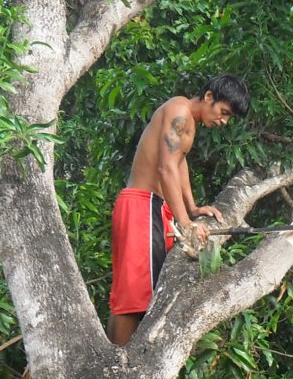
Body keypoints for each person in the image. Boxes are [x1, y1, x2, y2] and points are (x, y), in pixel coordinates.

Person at [107, 74, 251, 346]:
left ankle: (120, 359)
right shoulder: (179, 111)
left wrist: (192, 208)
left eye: (229, 118)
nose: (223, 121)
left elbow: (179, 163)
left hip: (152, 209)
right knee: (134, 299)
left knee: (141, 294)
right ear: (209, 96)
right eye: (223, 112)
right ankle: (118, 365)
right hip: (142, 207)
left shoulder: (187, 121)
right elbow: (166, 168)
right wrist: (186, 224)